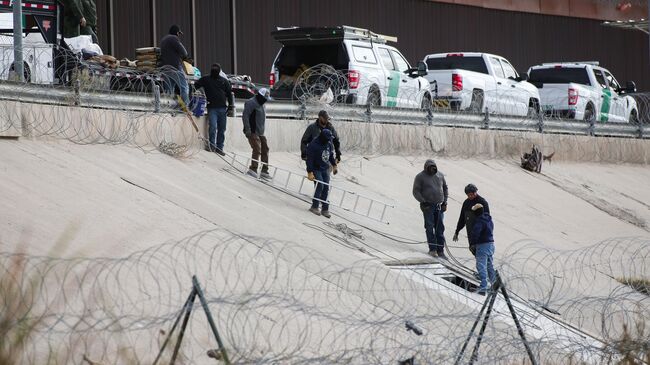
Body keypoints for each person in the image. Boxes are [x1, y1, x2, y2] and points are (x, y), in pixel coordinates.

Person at [194, 63, 234, 155]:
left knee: (222, 129)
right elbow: (195, 86)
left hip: (223, 109)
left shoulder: (224, 81)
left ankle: (219, 148)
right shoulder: (206, 79)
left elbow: (229, 94)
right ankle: (212, 145)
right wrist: (195, 96)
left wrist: (231, 106)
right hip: (212, 108)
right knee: (213, 127)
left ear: (219, 71)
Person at [412, 159, 448, 258]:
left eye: (434, 168)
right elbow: (416, 191)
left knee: (440, 228)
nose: (432, 170)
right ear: (426, 167)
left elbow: (445, 188)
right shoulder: (420, 177)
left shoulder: (440, 175)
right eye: (430, 168)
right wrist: (423, 201)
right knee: (429, 227)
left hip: (439, 206)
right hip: (428, 206)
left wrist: (445, 202)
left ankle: (440, 250)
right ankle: (432, 249)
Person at [306, 129, 338, 218]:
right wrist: (309, 172)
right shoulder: (314, 145)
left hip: (325, 169)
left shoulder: (329, 143)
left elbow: (330, 155)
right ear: (322, 137)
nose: (329, 140)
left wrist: (334, 165)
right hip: (316, 168)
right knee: (320, 185)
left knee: (326, 187)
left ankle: (325, 209)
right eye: (327, 138)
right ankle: (314, 206)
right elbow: (309, 159)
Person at [453, 184, 490, 255]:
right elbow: (462, 218)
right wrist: (457, 231)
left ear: (475, 192)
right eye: (468, 195)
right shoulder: (466, 203)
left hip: (481, 235)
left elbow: (487, 219)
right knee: (475, 252)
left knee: (482, 256)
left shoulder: (482, 202)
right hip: (471, 233)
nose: (470, 196)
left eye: (472, 194)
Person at [242, 88, 270, 179]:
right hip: (252, 131)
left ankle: (264, 170)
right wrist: (247, 130)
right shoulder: (251, 103)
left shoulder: (263, 104)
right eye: (264, 98)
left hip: (260, 132)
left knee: (265, 149)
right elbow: (245, 116)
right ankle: (253, 169)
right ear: (259, 95)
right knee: (257, 149)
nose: (265, 100)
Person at [468, 203, 496, 295]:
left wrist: (472, 244)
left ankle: (483, 286)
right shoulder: (489, 219)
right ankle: (494, 285)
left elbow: (476, 233)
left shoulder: (479, 221)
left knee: (481, 266)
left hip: (482, 246)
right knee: (489, 265)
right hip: (491, 244)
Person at [159, 25, 190, 106]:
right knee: (184, 86)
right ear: (177, 33)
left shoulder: (164, 40)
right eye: (179, 33)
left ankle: (168, 106)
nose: (179, 35)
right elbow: (184, 52)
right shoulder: (174, 38)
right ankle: (184, 106)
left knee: (169, 90)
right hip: (175, 67)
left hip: (165, 68)